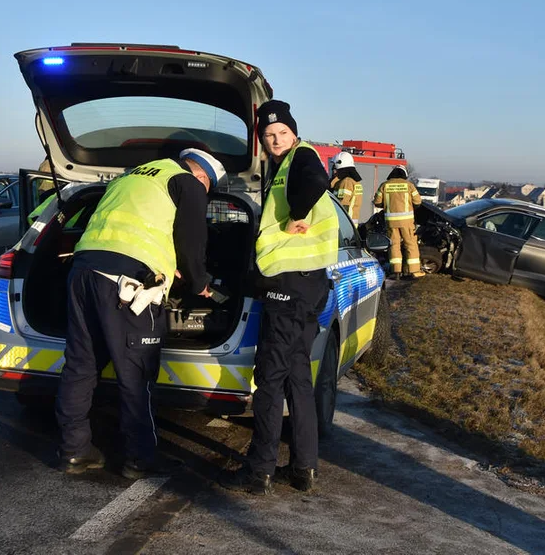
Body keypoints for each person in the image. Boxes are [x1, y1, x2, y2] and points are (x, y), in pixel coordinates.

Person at [56, 148, 225, 479]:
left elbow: (140, 229)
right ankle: (140, 459)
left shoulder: (131, 176)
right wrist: (200, 283)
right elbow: (192, 245)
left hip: (83, 272)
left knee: (80, 365)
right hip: (128, 286)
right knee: (136, 373)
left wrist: (168, 263)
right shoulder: (187, 183)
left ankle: (73, 452)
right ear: (203, 177)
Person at [221, 100, 339, 495]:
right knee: (297, 378)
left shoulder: (301, 157)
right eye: (269, 136)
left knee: (269, 380)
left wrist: (296, 213)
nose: (275, 140)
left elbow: (316, 181)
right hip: (308, 285)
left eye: (281, 133)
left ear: (293, 132)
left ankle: (259, 472)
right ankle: (304, 468)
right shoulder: (283, 165)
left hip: (288, 286)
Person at [373, 166, 424, 278]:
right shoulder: (409, 186)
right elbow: (418, 202)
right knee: (410, 245)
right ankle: (413, 271)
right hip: (407, 223)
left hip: (391, 222)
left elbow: (377, 202)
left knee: (394, 245)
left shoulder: (384, 185)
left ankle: (396, 271)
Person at [329, 152, 364, 225]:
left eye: (335, 169)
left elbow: (342, 205)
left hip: (343, 223)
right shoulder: (354, 182)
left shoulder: (346, 182)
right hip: (351, 223)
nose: (334, 172)